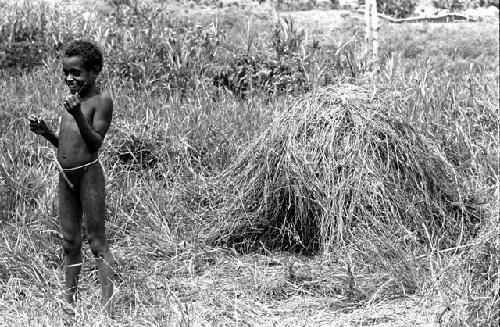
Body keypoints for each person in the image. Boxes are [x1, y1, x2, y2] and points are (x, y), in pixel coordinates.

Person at [29, 40, 115, 314]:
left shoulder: (100, 101)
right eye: (66, 72)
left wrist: (78, 113)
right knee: (69, 242)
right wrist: (46, 134)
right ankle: (70, 304)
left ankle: (107, 309)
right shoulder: (72, 102)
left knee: (97, 242)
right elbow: (67, 145)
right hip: (66, 178)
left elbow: (94, 143)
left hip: (89, 176)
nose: (69, 78)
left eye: (76, 73)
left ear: (95, 71)